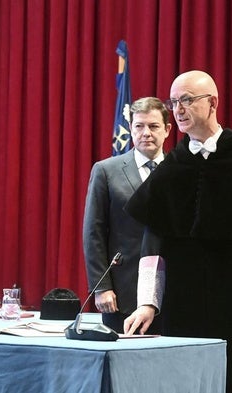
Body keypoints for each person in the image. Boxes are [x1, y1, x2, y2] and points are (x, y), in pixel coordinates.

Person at [123, 70, 232, 393]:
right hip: (185, 305)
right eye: (174, 102)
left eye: (186, 100)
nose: (178, 109)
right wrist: (147, 303)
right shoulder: (174, 165)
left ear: (212, 103)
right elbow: (152, 241)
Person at [82, 97, 170, 333]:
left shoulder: (179, 169)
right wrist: (101, 287)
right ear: (130, 129)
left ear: (167, 130)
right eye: (139, 126)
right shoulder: (106, 170)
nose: (146, 133)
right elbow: (94, 233)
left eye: (153, 126)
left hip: (172, 291)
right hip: (121, 293)